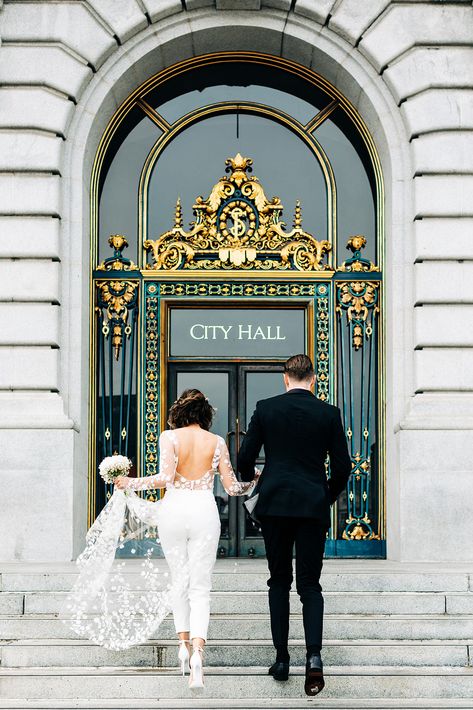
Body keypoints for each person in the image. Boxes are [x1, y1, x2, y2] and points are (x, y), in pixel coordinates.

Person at [115, 389, 259, 690]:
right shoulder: (217, 442)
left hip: (174, 510)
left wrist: (131, 482)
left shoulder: (169, 438)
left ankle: (181, 645)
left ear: (180, 412)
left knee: (178, 580)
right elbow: (233, 488)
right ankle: (197, 657)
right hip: (204, 511)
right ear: (205, 415)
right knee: (200, 587)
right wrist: (254, 480)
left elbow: (165, 479)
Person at [237, 354, 351, 697]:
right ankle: (314, 656)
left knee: (279, 582)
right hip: (312, 505)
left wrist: (251, 479)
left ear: (285, 379)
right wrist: (325, 495)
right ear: (313, 380)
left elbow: (244, 459)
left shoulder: (266, 408)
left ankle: (282, 658)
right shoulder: (329, 413)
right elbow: (343, 466)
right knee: (310, 584)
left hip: (275, 505)